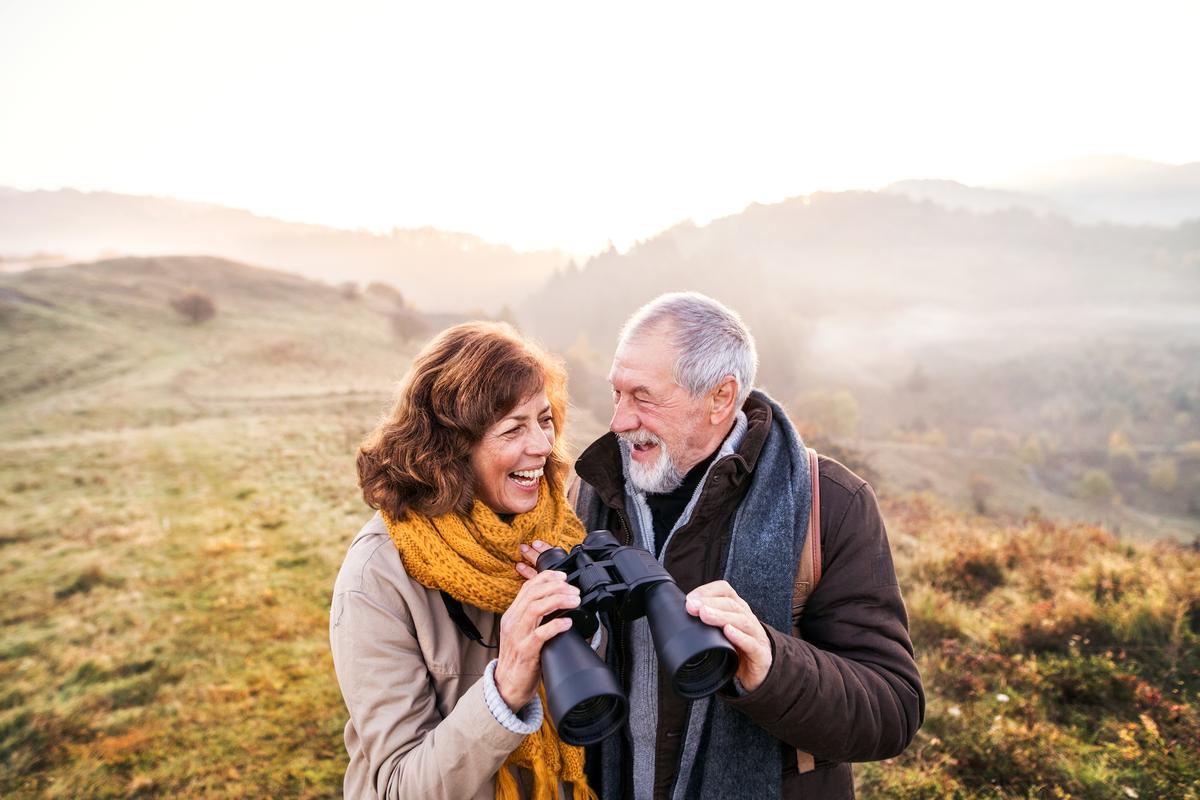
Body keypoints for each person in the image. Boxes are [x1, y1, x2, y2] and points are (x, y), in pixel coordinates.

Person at [544, 292, 924, 799]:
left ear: (721, 397)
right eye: (617, 394)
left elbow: (892, 710)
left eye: (643, 396)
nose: (618, 420)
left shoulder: (829, 503)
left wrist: (771, 663)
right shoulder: (583, 494)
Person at [330, 322, 598, 800]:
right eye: (513, 428)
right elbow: (398, 787)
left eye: (544, 419)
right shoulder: (377, 577)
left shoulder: (562, 531)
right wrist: (506, 687)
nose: (541, 445)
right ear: (450, 449)